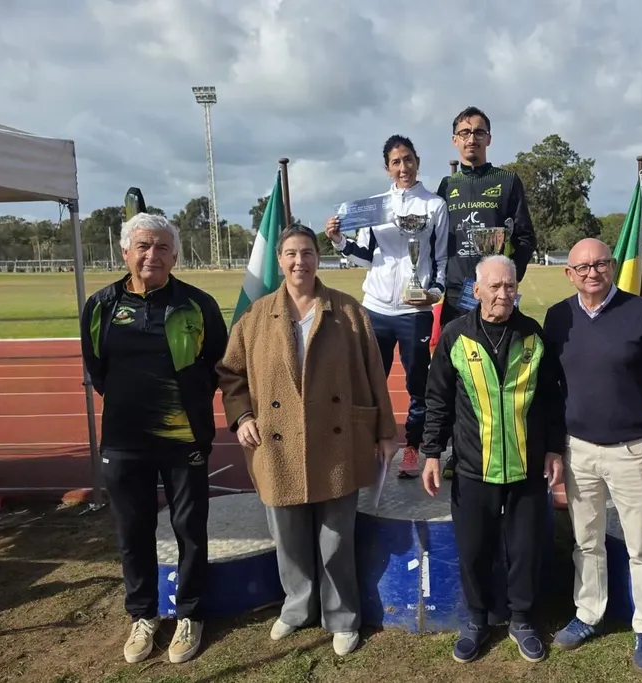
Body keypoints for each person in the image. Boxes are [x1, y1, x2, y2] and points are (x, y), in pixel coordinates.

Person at [216, 223, 397, 656]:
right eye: (292, 254)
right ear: (280, 260)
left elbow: (375, 373)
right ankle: (297, 608)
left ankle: (342, 615)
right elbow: (230, 373)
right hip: (277, 445)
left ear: (319, 258)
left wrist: (386, 431)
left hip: (337, 440)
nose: (300, 261)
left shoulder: (349, 311)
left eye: (308, 253)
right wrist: (241, 415)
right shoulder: (256, 315)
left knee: (336, 537)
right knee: (289, 537)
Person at [78, 212, 227, 665]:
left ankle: (190, 613)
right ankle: (142, 614)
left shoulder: (198, 304)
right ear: (125, 252)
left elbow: (216, 365)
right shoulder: (102, 305)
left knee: (189, 529)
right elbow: (98, 369)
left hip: (185, 438)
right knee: (133, 529)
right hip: (124, 439)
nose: (152, 255)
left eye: (162, 247)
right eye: (143, 246)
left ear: (176, 255)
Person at [541, 238, 642, 675]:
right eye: (582, 267)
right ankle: (588, 614)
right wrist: (553, 446)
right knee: (586, 541)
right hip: (578, 451)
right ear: (568, 274)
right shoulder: (558, 317)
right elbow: (549, 392)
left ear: (612, 267)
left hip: (635, 451)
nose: (592, 272)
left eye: (600, 263)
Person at [420, 255, 564, 664]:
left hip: (526, 465)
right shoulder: (455, 336)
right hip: (472, 466)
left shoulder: (532, 335)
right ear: (477, 290)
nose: (504, 293)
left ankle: (521, 618)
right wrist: (431, 452)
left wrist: (554, 447)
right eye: (495, 287)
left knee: (524, 548)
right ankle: (477, 620)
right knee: (474, 548)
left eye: (510, 286)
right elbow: (438, 400)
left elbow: (552, 398)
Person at [324, 135, 448, 480]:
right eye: (396, 162)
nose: (403, 167)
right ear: (387, 168)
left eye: (408, 159)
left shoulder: (434, 205)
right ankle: (370, 446)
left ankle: (412, 448)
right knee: (366, 381)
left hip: (414, 310)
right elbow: (366, 255)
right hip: (376, 308)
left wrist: (433, 293)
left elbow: (440, 258)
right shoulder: (376, 206)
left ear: (417, 162)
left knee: (417, 385)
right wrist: (338, 240)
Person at [435, 105, 538, 480]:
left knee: (495, 377)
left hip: (495, 299)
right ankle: (454, 453)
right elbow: (433, 241)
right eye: (464, 132)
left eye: (478, 132)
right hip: (455, 297)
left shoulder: (508, 180)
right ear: (454, 140)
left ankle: (506, 448)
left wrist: (507, 281)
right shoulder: (446, 187)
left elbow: (525, 237)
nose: (471, 138)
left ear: (489, 139)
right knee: (457, 379)